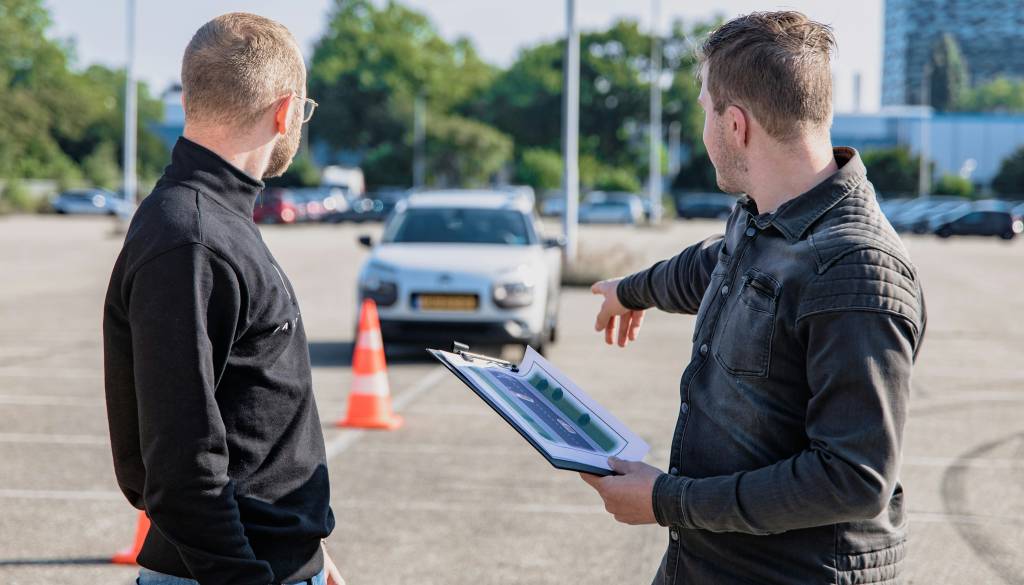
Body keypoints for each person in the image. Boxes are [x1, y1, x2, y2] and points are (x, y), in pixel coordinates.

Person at [583, 11, 926, 585]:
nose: (703, 131)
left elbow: (853, 478)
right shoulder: (766, 216)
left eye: (704, 113)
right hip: (710, 562)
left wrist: (667, 501)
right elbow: (716, 265)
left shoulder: (857, 270)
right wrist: (630, 290)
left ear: (736, 125)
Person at [103, 13, 342, 585]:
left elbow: (248, 420)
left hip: (274, 562)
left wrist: (309, 551)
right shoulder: (191, 238)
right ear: (285, 112)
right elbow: (181, 471)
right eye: (303, 113)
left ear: (189, 97)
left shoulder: (214, 222)